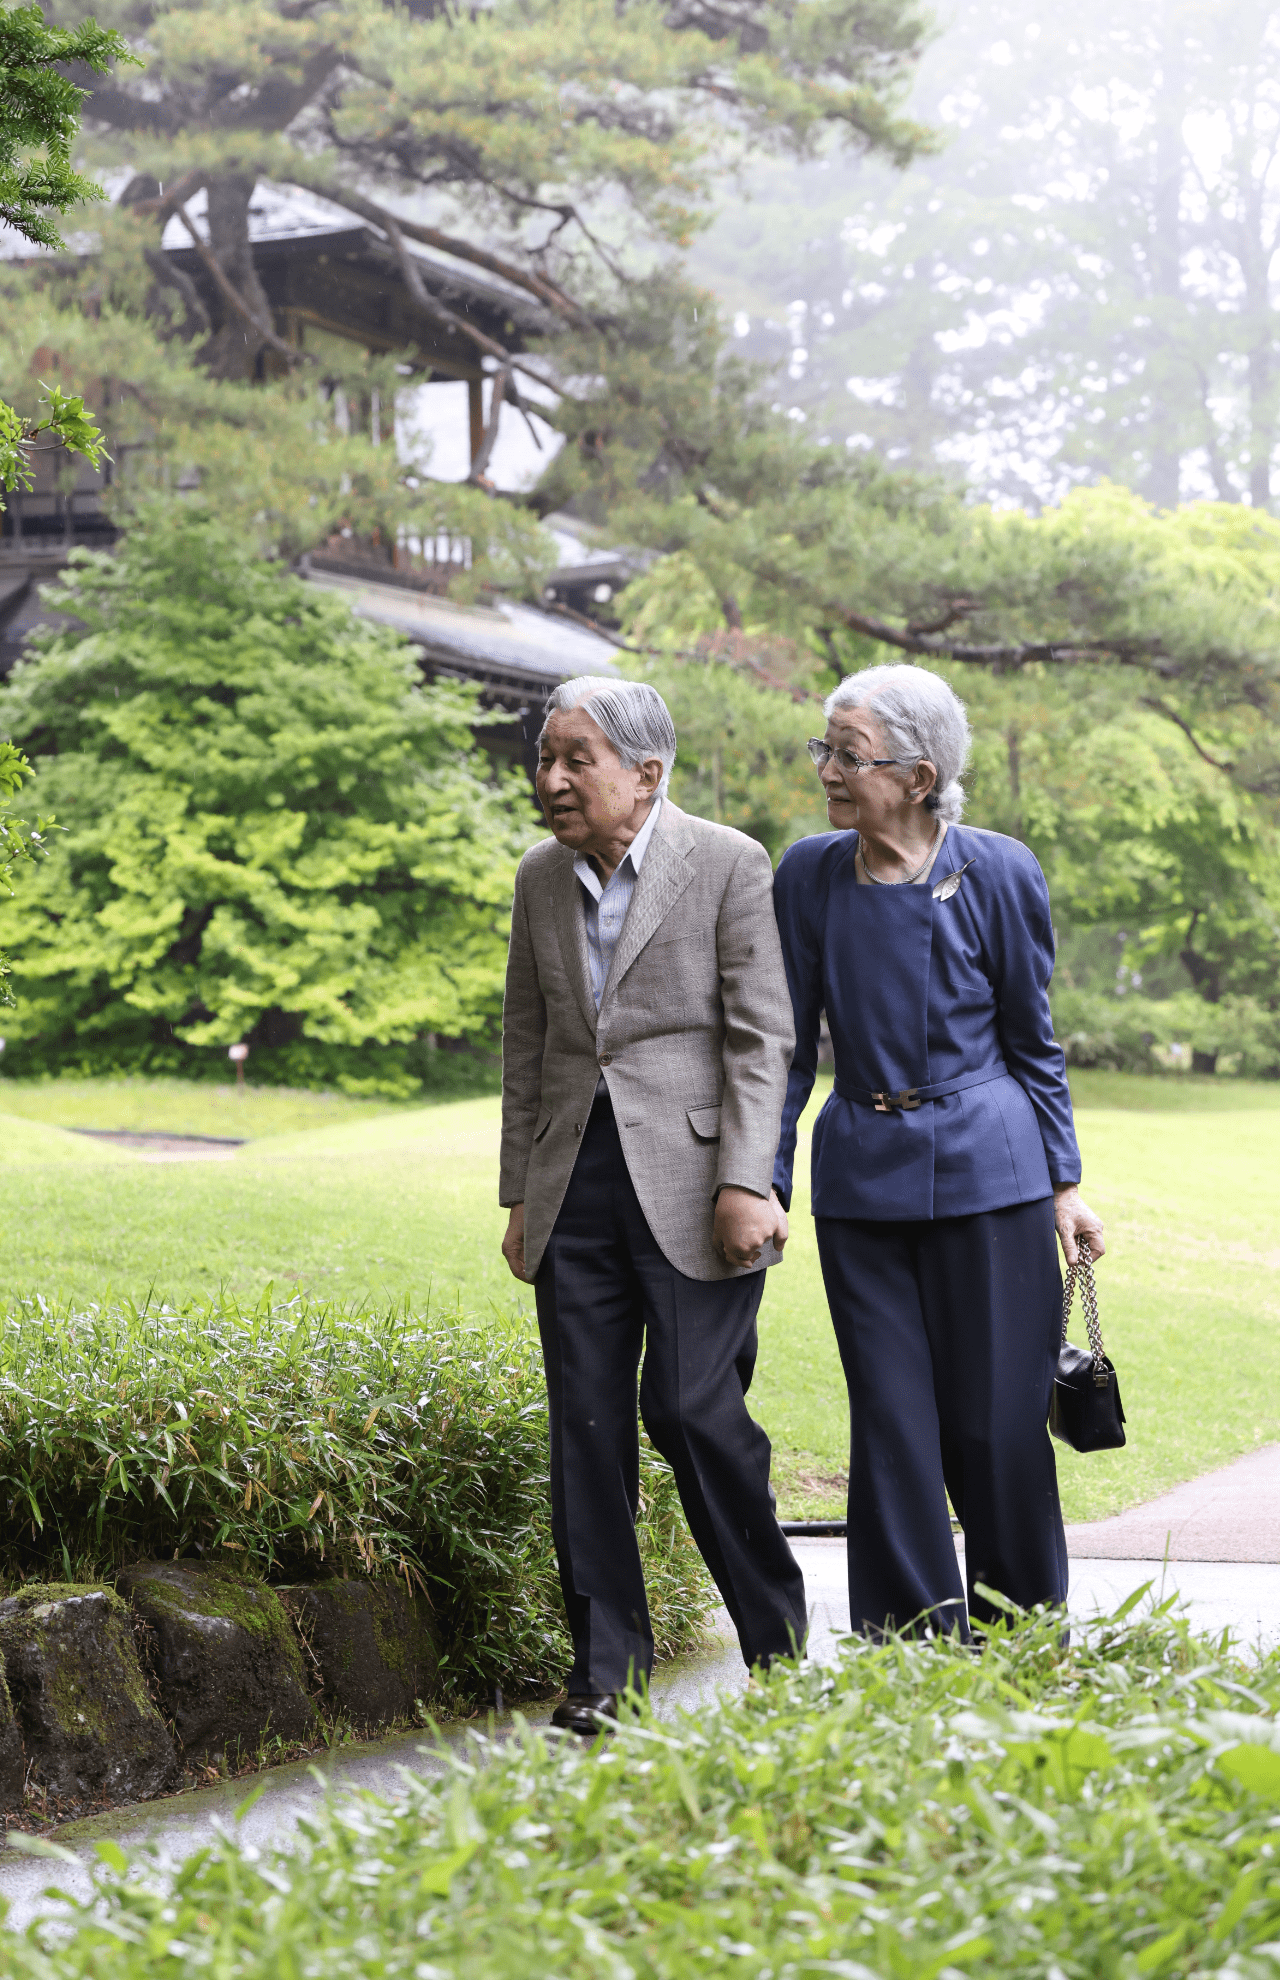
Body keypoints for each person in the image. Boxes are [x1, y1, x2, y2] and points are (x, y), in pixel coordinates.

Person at [772, 663, 1105, 1641]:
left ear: (917, 776)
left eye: (847, 752)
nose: (827, 768)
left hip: (990, 1173)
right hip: (859, 1185)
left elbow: (1030, 1040)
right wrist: (759, 1180)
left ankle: (1021, 1634)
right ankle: (911, 1653)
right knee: (891, 1427)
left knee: (997, 1427)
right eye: (823, 748)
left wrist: (1063, 1186)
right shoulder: (806, 873)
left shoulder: (998, 870)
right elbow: (785, 1047)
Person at [500, 675, 807, 1734]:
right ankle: (604, 1678)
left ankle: (776, 1649)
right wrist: (516, 1198)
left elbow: (761, 1036)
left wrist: (747, 1178)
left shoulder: (726, 861)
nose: (551, 780)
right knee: (583, 1429)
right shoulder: (538, 878)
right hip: (568, 1185)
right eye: (544, 758)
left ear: (645, 772)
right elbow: (528, 1044)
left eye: (573, 759)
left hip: (693, 1183)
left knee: (687, 1410)